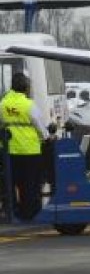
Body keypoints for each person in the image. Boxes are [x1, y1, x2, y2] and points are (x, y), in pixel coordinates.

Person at [1, 73, 50, 221]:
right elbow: (40, 126)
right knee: (30, 184)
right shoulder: (28, 104)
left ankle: (12, 212)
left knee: (10, 183)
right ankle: (30, 214)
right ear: (26, 88)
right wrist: (47, 137)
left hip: (9, 151)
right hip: (30, 151)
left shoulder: (3, 104)